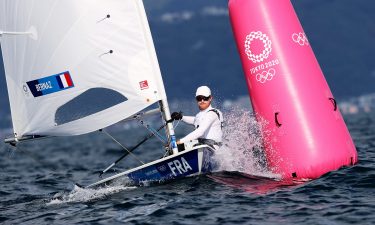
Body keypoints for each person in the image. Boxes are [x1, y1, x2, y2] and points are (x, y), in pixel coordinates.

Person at [171, 86, 223, 150]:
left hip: (213, 148)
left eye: (205, 98)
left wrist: (179, 142)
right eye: (199, 98)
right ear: (196, 99)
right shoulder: (200, 115)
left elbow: (200, 132)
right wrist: (181, 117)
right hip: (201, 146)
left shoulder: (212, 113)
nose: (202, 101)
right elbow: (195, 120)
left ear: (210, 98)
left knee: (188, 146)